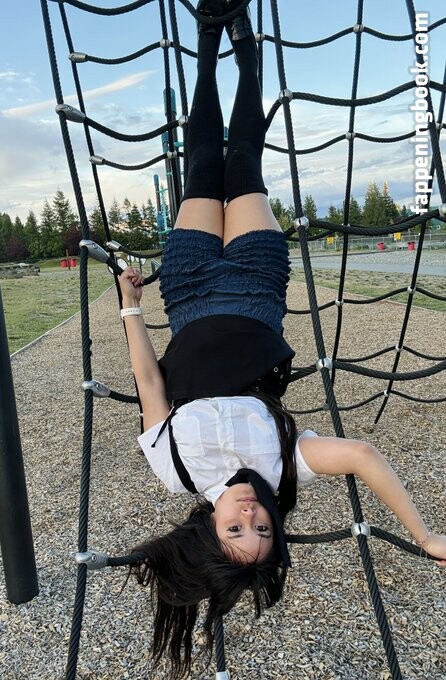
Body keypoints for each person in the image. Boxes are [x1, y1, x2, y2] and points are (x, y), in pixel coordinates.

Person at [117, 0, 446, 677]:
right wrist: (425, 533)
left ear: (206, 526)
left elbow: (150, 382)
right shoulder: (282, 464)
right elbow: (361, 455)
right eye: (263, 528)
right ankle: (244, 50)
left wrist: (129, 309)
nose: (249, 515)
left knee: (201, 160)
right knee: (243, 161)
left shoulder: (177, 469)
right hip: (255, 289)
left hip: (188, 291)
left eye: (235, 529)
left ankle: (206, 39)